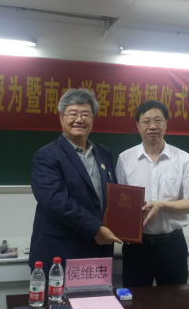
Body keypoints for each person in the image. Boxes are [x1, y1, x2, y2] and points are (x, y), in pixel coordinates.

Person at [29, 89, 122, 277]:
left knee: (96, 296)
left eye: (86, 114)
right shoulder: (46, 156)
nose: (79, 120)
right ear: (61, 117)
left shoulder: (104, 153)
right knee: (59, 298)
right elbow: (56, 201)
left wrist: (129, 213)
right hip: (61, 250)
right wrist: (96, 229)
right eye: (73, 114)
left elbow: (112, 194)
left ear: (93, 118)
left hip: (99, 250)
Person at [116, 100, 189, 287]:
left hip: (172, 245)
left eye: (158, 120)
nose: (152, 126)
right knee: (135, 299)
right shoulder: (125, 159)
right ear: (138, 126)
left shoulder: (183, 159)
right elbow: (119, 203)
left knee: (174, 300)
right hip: (137, 246)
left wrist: (162, 205)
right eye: (146, 121)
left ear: (166, 123)